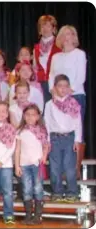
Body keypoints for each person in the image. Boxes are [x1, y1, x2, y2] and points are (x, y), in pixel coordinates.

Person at [44, 74, 82, 203]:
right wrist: (47, 141)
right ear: (54, 88)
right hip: (55, 138)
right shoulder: (49, 104)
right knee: (55, 167)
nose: (63, 89)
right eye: (60, 86)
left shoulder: (73, 103)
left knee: (69, 167)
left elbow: (78, 122)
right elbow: (47, 123)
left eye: (66, 86)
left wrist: (77, 140)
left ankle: (72, 192)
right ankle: (57, 191)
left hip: (69, 138)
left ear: (69, 88)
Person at [15, 104, 49, 225]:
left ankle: (38, 215)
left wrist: (44, 156)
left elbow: (46, 146)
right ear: (24, 116)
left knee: (38, 188)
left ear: (38, 116)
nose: (30, 117)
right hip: (24, 164)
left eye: (33, 115)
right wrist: (17, 165)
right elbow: (17, 150)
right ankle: (28, 215)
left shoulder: (42, 130)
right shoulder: (20, 131)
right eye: (27, 115)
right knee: (27, 189)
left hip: (36, 164)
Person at [33, 15, 60, 102]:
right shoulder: (36, 48)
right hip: (40, 84)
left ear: (53, 29)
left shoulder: (59, 45)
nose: (45, 28)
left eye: (48, 26)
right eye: (42, 26)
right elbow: (34, 68)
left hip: (56, 83)